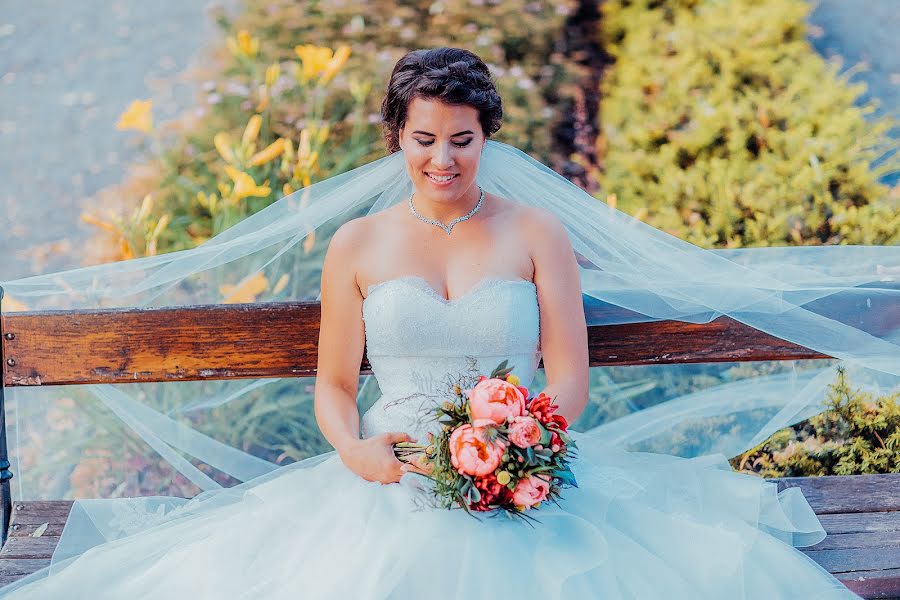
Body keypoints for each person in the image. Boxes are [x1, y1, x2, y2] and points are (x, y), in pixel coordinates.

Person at [0, 47, 881, 598]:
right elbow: (337, 387)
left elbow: (566, 374)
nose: (443, 158)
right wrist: (353, 452)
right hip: (391, 470)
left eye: (462, 137)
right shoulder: (357, 243)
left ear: (486, 136)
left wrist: (528, 447)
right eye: (425, 138)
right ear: (398, 138)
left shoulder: (537, 232)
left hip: (525, 467)